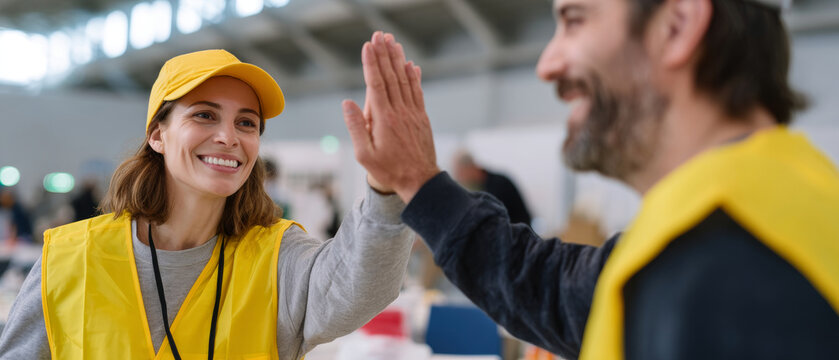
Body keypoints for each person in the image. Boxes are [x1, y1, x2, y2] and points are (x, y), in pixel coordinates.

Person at [341, 1, 839, 358]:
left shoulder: (736, 275)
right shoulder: (735, 221)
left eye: (574, 19)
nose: (546, 64)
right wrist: (418, 182)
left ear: (677, 26)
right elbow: (553, 287)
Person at [0, 49, 415, 359]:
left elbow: (359, 285)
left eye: (246, 123)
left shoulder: (277, 258)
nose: (229, 137)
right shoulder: (70, 258)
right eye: (204, 115)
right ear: (157, 135)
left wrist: (386, 186)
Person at [452, 150, 532, 226]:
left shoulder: (499, 185)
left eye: (460, 173)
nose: (459, 178)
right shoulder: (478, 186)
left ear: (469, 168)